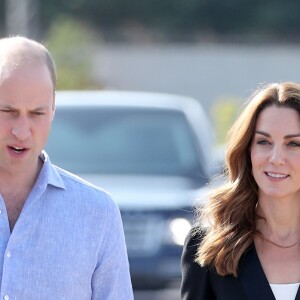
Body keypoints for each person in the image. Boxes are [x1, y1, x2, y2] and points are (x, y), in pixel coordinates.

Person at [0, 36, 133, 299]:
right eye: (8, 111)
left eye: (36, 113)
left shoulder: (97, 213)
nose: (21, 131)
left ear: (52, 109)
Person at [181, 81, 300, 300]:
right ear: (247, 150)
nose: (276, 159)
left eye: (293, 144)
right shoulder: (209, 246)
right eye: (264, 142)